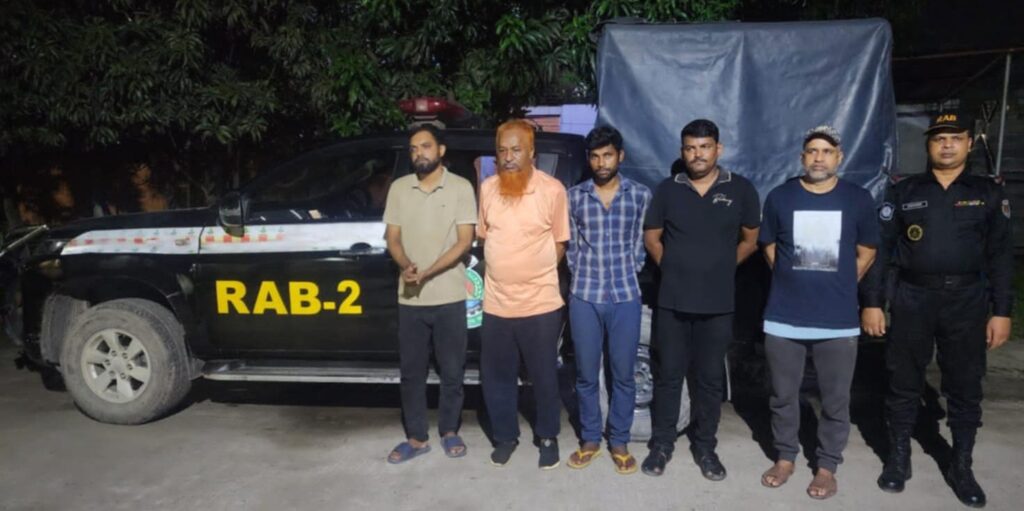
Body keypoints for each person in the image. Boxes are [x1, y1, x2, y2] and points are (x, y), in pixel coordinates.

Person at [863, 110, 1013, 508]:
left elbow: (1001, 256)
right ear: (928, 145)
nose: (946, 145)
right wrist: (874, 303)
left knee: (965, 385)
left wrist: (1002, 311)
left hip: (967, 301)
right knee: (903, 381)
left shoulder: (988, 192)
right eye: (939, 138)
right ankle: (898, 458)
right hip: (913, 298)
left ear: (968, 143)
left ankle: (961, 465)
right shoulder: (905, 191)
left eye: (955, 137)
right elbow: (882, 252)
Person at [758, 126, 878, 499]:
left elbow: (868, 251)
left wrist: (841, 284)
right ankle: (785, 458)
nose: (819, 157)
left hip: (837, 320)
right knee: (783, 395)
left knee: (835, 399)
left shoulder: (858, 199)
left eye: (826, 151)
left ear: (839, 157)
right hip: (784, 317)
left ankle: (826, 467)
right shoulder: (781, 197)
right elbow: (768, 245)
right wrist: (790, 279)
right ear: (802, 157)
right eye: (812, 151)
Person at [642, 119, 760, 480]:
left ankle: (706, 447)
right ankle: (662, 445)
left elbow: (751, 239)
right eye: (691, 148)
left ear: (718, 149)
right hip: (672, 302)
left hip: (717, 304)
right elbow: (652, 237)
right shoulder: (668, 189)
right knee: (668, 377)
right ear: (683, 152)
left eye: (705, 147)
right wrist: (673, 267)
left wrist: (722, 267)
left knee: (709, 380)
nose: (698, 154)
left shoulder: (740, 189)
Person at [477, 119, 570, 469]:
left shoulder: (552, 190)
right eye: (502, 150)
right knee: (497, 376)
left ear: (532, 152)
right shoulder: (488, 189)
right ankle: (505, 437)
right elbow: (485, 236)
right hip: (496, 303)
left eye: (516, 150)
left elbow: (560, 242)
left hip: (540, 303)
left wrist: (534, 271)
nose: (508, 157)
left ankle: (547, 436)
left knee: (543, 375)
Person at [383, 125, 477, 464]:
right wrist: (406, 265)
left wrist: (429, 272)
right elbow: (392, 238)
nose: (418, 153)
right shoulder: (399, 188)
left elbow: (464, 241)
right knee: (412, 373)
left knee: (452, 371)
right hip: (410, 298)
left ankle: (450, 430)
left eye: (425, 146)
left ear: (441, 150)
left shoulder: (461, 188)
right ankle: (417, 437)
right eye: (413, 148)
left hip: (449, 295)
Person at [565, 126, 652, 474]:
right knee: (586, 374)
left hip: (625, 295)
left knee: (624, 374)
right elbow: (571, 247)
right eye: (595, 156)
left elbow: (642, 242)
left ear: (620, 156)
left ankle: (619, 440)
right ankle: (590, 439)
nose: (602, 163)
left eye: (608, 155)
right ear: (589, 159)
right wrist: (581, 275)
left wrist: (631, 269)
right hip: (585, 296)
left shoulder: (640, 195)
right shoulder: (574, 197)